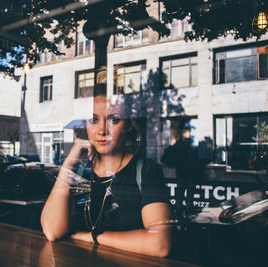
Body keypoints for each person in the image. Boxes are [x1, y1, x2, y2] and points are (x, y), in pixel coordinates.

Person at [40, 90, 172, 257]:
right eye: (93, 120)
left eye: (114, 120)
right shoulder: (80, 170)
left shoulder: (146, 170)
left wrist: (94, 237)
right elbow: (52, 231)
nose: (102, 130)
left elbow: (160, 244)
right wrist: (68, 163)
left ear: (128, 126)